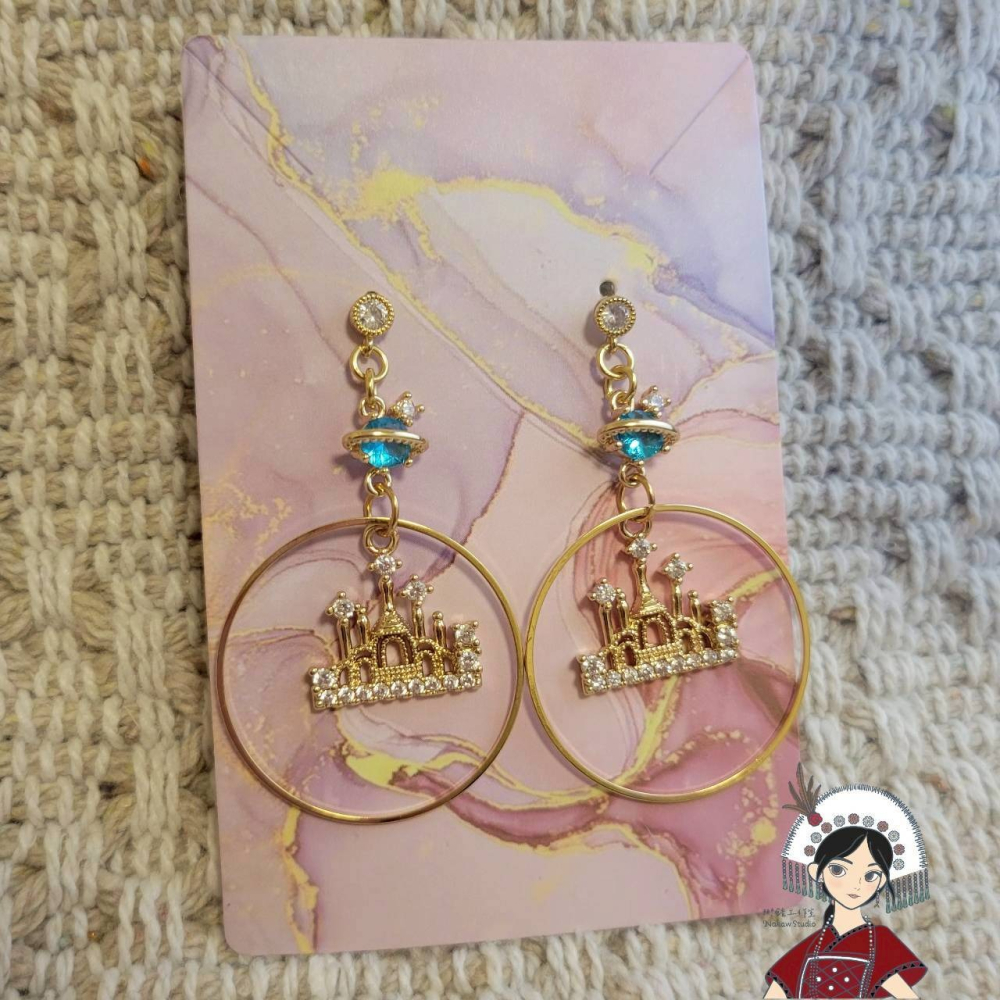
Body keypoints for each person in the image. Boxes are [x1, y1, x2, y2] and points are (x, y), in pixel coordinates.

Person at [763, 767, 928, 998]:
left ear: (882, 880)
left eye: (870, 875)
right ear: (817, 872)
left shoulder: (878, 943)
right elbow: (777, 992)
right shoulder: (813, 945)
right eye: (839, 870)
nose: (855, 885)